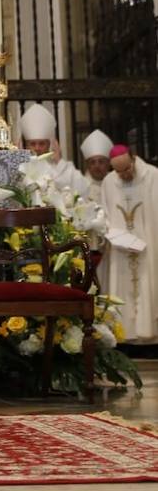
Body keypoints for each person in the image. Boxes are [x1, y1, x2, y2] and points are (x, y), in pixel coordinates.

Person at [102, 144, 158, 343]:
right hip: (121, 248)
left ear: (133, 159)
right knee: (122, 290)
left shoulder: (153, 176)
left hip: (150, 245)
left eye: (127, 169)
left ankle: (151, 337)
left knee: (149, 284)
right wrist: (113, 233)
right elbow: (105, 214)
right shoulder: (109, 182)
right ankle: (124, 337)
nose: (124, 175)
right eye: (119, 171)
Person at [19, 103, 87, 194]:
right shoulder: (22, 167)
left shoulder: (60, 168)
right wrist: (17, 160)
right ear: (26, 145)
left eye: (42, 143)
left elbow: (79, 187)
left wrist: (59, 162)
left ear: (49, 144)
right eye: (32, 144)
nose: (37, 148)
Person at [80, 129, 113, 203]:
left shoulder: (115, 183)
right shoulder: (81, 187)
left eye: (101, 162)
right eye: (92, 162)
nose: (97, 166)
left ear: (108, 163)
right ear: (87, 165)